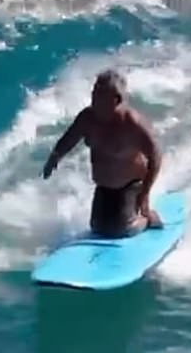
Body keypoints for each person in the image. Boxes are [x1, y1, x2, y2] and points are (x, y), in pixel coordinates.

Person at [42, 69, 163, 238]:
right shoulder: (87, 118)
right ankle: (123, 219)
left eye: (100, 94)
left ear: (116, 100)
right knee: (98, 228)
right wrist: (54, 157)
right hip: (104, 187)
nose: (93, 97)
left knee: (122, 229)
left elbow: (155, 157)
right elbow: (69, 139)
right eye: (94, 91)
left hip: (131, 185)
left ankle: (147, 218)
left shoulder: (133, 125)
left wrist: (144, 193)